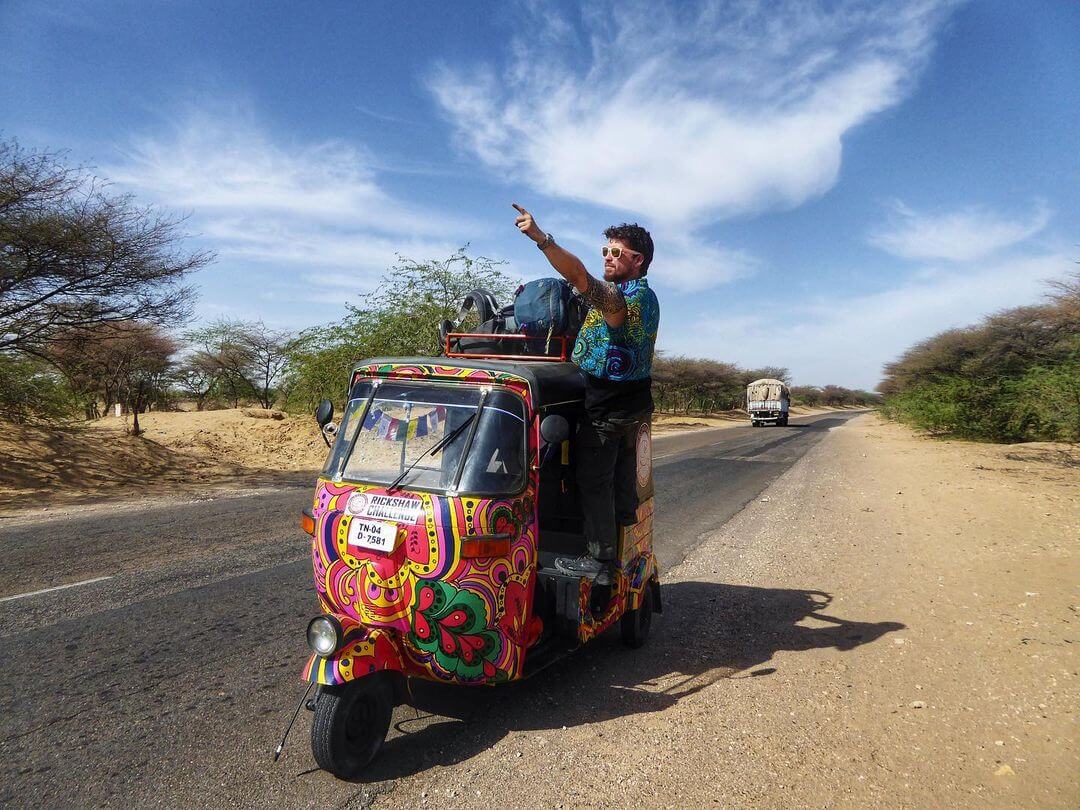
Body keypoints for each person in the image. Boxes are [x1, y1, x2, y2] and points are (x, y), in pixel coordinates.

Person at [512, 203, 659, 583]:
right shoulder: (643, 295)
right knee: (620, 485)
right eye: (605, 252)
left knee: (593, 482)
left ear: (638, 260)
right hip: (633, 404)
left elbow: (578, 277)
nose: (608, 258)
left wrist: (542, 239)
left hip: (608, 408)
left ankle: (601, 561)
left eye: (616, 253)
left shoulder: (623, 300)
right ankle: (621, 541)